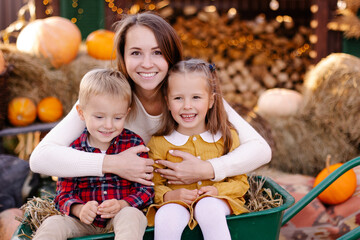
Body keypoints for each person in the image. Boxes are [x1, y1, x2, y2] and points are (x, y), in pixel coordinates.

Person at [29, 12, 271, 188]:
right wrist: (112, 163)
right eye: (136, 53)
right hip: (128, 201)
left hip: (192, 196)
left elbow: (260, 150)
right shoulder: (109, 97)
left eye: (157, 52)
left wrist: (208, 169)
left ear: (171, 55)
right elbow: (41, 158)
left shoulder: (189, 95)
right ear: (122, 57)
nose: (146, 64)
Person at [32, 69, 154, 240]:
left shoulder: (133, 144)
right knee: (53, 224)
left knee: (132, 216)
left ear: (127, 113)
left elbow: (146, 189)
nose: (109, 125)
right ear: (81, 113)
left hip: (117, 218)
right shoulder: (73, 151)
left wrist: (123, 204)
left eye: (117, 118)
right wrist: (79, 209)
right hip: (82, 223)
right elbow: (63, 194)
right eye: (99, 117)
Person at [146, 59, 249, 240]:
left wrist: (217, 192)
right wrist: (171, 195)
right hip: (178, 202)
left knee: (207, 207)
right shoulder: (159, 143)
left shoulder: (226, 136)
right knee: (166, 216)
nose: (187, 106)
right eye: (178, 98)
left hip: (219, 200)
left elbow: (241, 183)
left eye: (196, 97)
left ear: (211, 100)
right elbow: (152, 185)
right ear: (167, 102)